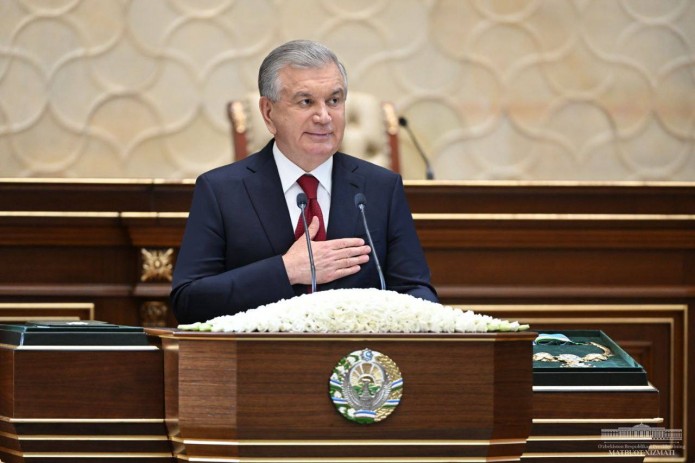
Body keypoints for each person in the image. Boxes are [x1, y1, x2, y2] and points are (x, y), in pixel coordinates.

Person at [171, 39, 437, 325]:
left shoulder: (381, 188)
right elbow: (189, 301)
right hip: (261, 361)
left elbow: (417, 292)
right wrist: (285, 270)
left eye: (334, 101)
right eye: (306, 102)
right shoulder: (221, 190)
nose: (324, 116)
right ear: (268, 113)